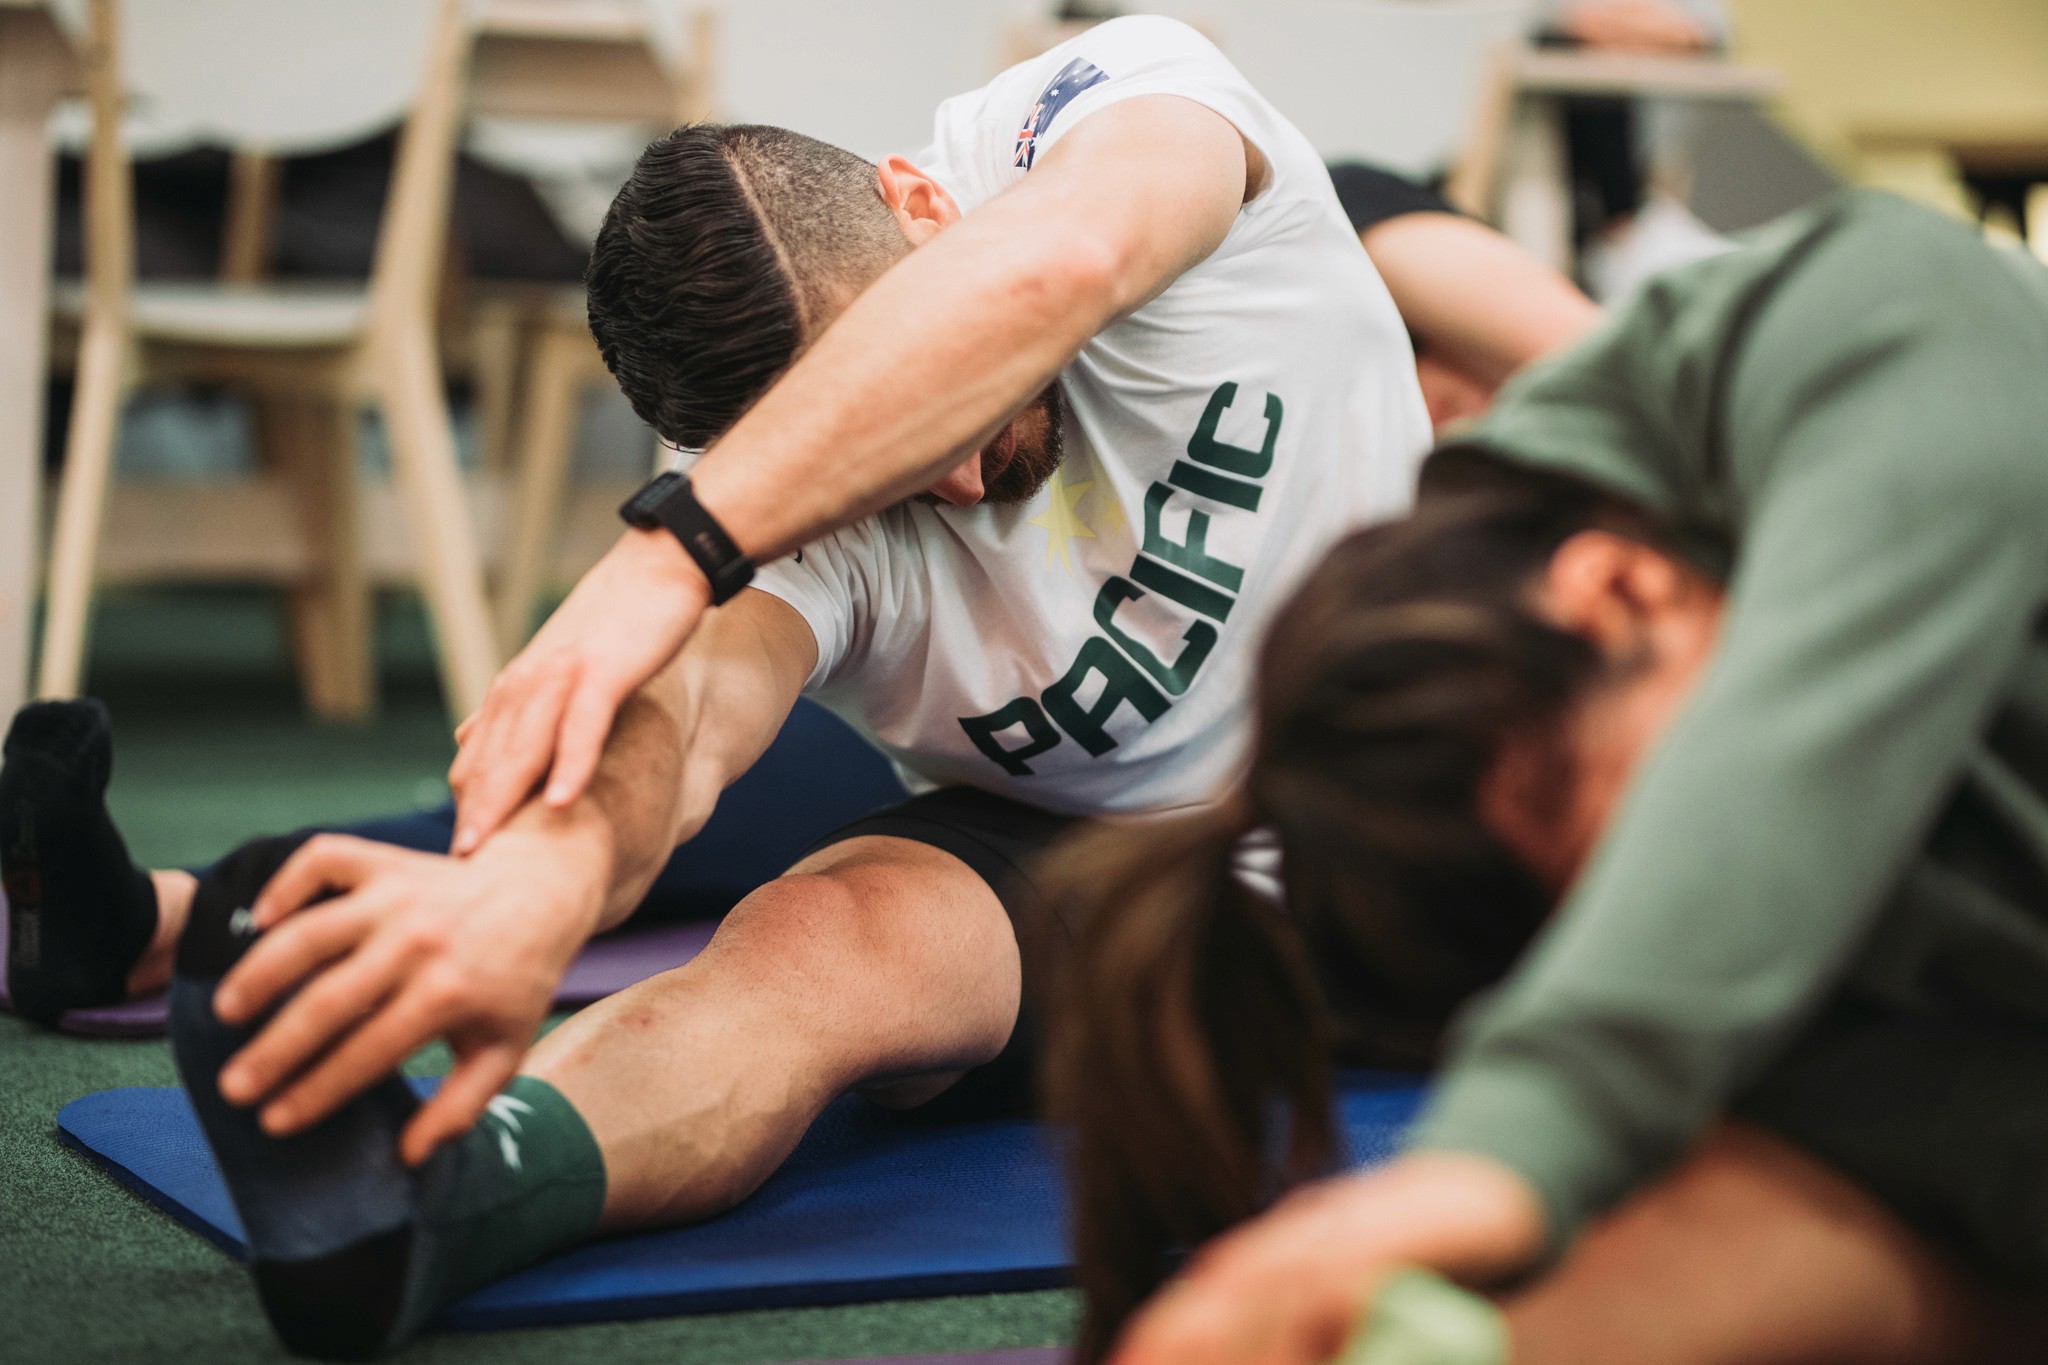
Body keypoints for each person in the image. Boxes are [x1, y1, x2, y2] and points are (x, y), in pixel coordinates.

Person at [4, 18, 1592, 1359]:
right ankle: (440, 1198)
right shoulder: (780, 506)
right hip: (1158, 890)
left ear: (925, 203)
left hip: (1429, 794)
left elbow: (1084, 246)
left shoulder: (1128, 118)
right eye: (884, 473)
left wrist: (662, 553)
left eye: (926, 409)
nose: (960, 478)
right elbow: (689, 713)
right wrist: (541, 888)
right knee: (821, 925)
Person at [1046, 189, 2048, 1365]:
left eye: (1665, 841)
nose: (1701, 903)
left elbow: (1799, 748)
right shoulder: (1787, 1009)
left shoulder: (1854, 307)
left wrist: (1508, 1148)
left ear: (1620, 589)